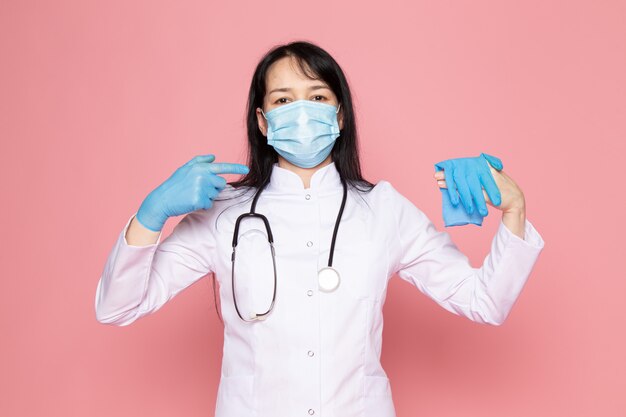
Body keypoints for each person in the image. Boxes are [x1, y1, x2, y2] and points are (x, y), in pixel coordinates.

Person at [95, 40, 545, 417]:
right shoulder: (223, 213)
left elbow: (485, 302)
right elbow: (117, 308)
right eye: (283, 100)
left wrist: (514, 210)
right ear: (262, 120)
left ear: (340, 114)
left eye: (318, 96)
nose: (302, 112)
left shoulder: (384, 209)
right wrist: (150, 215)